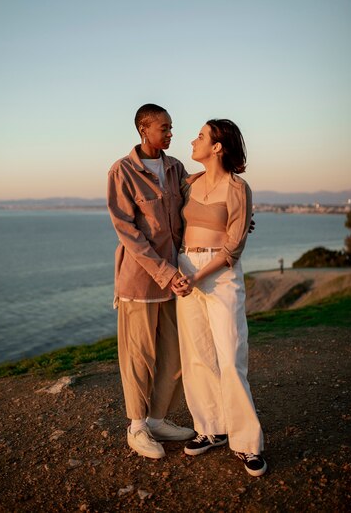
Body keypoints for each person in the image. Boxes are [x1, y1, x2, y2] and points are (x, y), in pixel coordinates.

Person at [172, 119, 267, 477]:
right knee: (197, 355)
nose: (192, 140)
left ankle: (247, 443)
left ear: (217, 147)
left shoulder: (238, 188)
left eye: (200, 136)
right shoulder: (188, 183)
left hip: (218, 273)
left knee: (230, 356)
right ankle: (211, 427)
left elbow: (233, 246)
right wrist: (179, 273)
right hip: (185, 266)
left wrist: (197, 276)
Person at [107, 104, 194, 460]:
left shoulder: (176, 169)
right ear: (144, 129)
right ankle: (137, 427)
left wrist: (235, 218)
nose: (171, 133)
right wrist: (165, 272)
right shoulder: (122, 171)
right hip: (140, 281)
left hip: (175, 281)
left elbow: (196, 205)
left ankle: (157, 420)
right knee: (139, 358)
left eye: (171, 127)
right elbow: (128, 231)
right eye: (164, 128)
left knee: (175, 356)